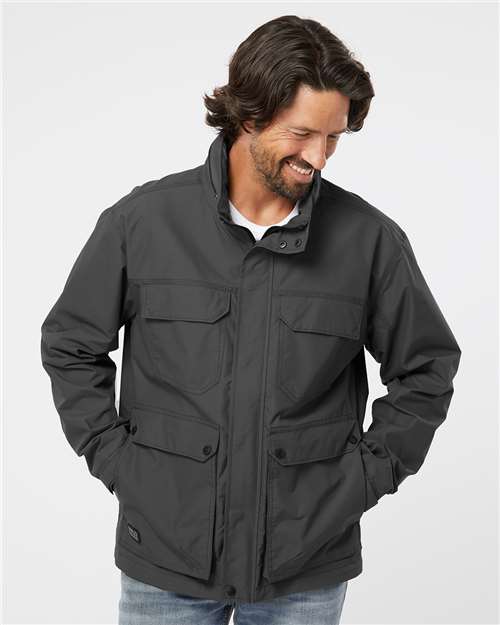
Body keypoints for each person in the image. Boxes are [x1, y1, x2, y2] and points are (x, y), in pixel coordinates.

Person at [40, 14, 461, 625]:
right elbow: (71, 345)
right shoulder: (143, 224)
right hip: (166, 558)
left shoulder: (369, 241)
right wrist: (119, 463)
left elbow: (426, 369)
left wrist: (362, 479)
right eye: (303, 134)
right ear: (248, 115)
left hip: (306, 565)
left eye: (334, 138)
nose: (318, 157)